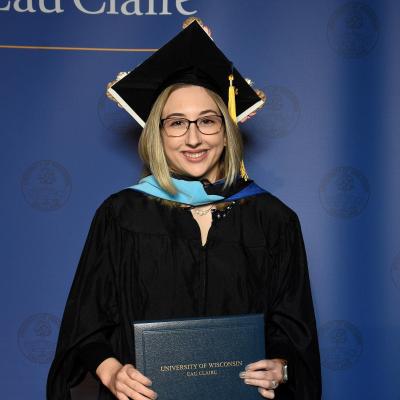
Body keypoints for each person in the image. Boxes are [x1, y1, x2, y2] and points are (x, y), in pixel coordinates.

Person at [47, 19, 321, 400]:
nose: (193, 138)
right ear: (156, 133)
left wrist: (282, 367)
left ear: (227, 131)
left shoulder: (272, 220)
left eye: (208, 121)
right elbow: (86, 325)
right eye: (176, 123)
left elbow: (294, 333)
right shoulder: (122, 215)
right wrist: (111, 373)